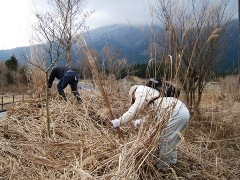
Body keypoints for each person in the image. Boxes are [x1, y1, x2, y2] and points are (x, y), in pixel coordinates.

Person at [111, 81, 190, 170]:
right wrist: (142, 121)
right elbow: (154, 114)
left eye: (133, 99)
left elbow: (134, 110)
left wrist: (120, 120)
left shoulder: (140, 90)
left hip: (176, 113)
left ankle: (163, 168)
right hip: (181, 110)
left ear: (133, 93)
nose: (134, 100)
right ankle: (172, 161)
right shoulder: (153, 94)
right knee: (172, 139)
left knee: (165, 140)